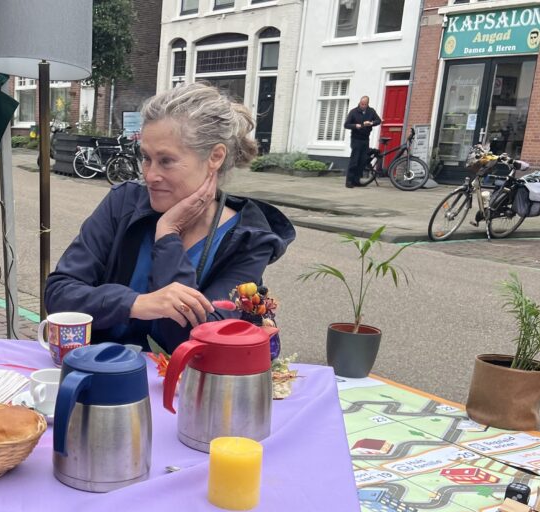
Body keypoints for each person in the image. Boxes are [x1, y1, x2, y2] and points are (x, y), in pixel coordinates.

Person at [44, 83, 296, 354]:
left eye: (166, 161)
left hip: (180, 390)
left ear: (215, 157)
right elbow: (59, 293)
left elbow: (197, 341)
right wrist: (137, 304)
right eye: (146, 158)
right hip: (104, 375)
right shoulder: (124, 204)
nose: (150, 175)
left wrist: (168, 233)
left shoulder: (248, 240)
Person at [345, 96, 382, 188]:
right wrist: (355, 126)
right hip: (356, 139)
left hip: (366, 139)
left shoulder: (371, 111)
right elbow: (346, 125)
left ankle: (356, 180)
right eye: (362, 104)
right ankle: (349, 181)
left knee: (362, 160)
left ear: (367, 104)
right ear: (359, 102)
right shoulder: (353, 112)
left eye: (365, 104)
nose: (363, 106)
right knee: (354, 160)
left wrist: (371, 123)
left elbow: (378, 121)